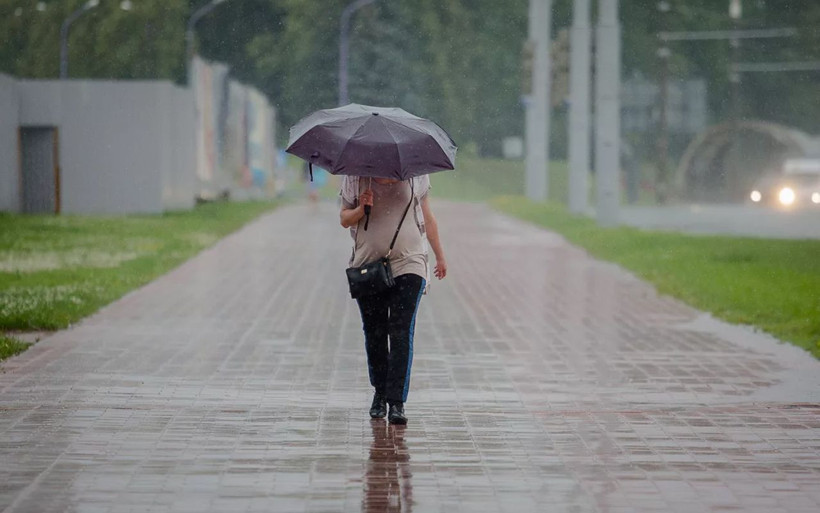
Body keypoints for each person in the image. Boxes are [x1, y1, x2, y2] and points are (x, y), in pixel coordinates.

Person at [340, 174, 447, 425]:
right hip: (368, 265)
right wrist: (360, 209)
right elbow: (344, 219)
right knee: (375, 332)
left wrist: (440, 255)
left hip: (409, 263)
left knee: (400, 331)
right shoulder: (356, 178)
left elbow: (427, 217)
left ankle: (397, 401)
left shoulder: (416, 175)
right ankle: (379, 393)